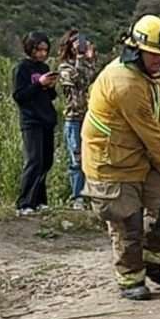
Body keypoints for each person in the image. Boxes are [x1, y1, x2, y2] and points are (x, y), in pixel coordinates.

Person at [82, 15, 160, 300]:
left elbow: (155, 124)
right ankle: (130, 279)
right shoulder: (125, 83)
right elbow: (149, 133)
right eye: (153, 54)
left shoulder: (147, 77)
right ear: (136, 50)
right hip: (112, 163)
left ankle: (151, 263)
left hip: (139, 157)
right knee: (127, 221)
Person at [12, 31, 58, 216]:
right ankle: (24, 202)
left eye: (45, 50)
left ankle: (39, 199)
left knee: (46, 161)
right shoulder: (22, 69)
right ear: (30, 49)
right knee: (34, 160)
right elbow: (19, 95)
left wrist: (49, 87)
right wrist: (38, 84)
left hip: (46, 118)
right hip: (31, 120)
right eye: (39, 50)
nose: (42, 54)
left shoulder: (44, 67)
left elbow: (50, 96)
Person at [57, 30, 99, 210]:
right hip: (73, 117)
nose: (80, 45)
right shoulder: (65, 67)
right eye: (77, 42)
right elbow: (79, 80)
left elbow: (93, 80)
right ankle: (77, 197)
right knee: (76, 159)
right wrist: (82, 58)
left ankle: (91, 194)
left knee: (92, 156)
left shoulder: (89, 64)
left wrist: (89, 60)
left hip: (90, 116)